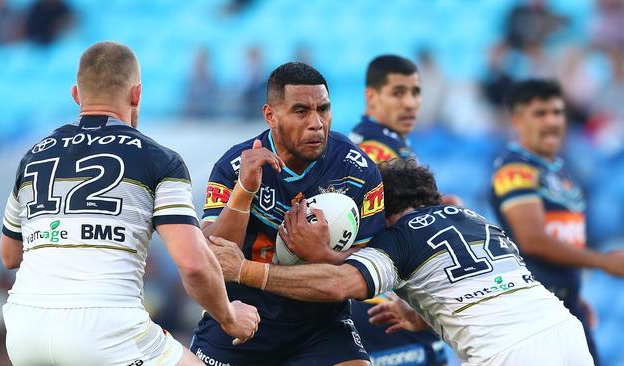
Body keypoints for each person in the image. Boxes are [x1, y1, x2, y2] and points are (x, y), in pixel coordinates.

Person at [0, 41, 259, 366]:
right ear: (136, 94)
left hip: (24, 329)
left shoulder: (33, 156)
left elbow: (9, 255)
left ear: (76, 95)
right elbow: (192, 263)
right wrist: (229, 316)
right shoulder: (158, 159)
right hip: (106, 327)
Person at [209, 158, 596, 366]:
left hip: (507, 353)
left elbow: (341, 284)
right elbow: (464, 283)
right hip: (565, 331)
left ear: (383, 210)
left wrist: (244, 270)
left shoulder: (398, 236)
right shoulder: (475, 220)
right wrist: (424, 312)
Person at [192, 61, 387, 365]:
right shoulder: (233, 166)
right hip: (241, 318)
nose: (317, 123)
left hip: (320, 324)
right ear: (270, 115)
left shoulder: (358, 171)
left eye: (323, 109)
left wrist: (322, 254)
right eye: (301, 111)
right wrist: (244, 191)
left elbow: (365, 273)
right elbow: (214, 259)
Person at [490, 79, 624, 365]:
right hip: (534, 311)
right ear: (517, 119)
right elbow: (532, 239)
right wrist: (603, 262)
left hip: (565, 302)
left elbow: (565, 236)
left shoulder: (560, 171)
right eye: (540, 114)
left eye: (557, 112)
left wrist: (572, 287)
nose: (551, 121)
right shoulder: (516, 169)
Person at [348, 54, 447, 365]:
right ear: (371, 96)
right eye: (398, 92)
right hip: (384, 297)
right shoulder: (375, 151)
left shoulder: (392, 144)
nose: (410, 103)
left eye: (415, 92)